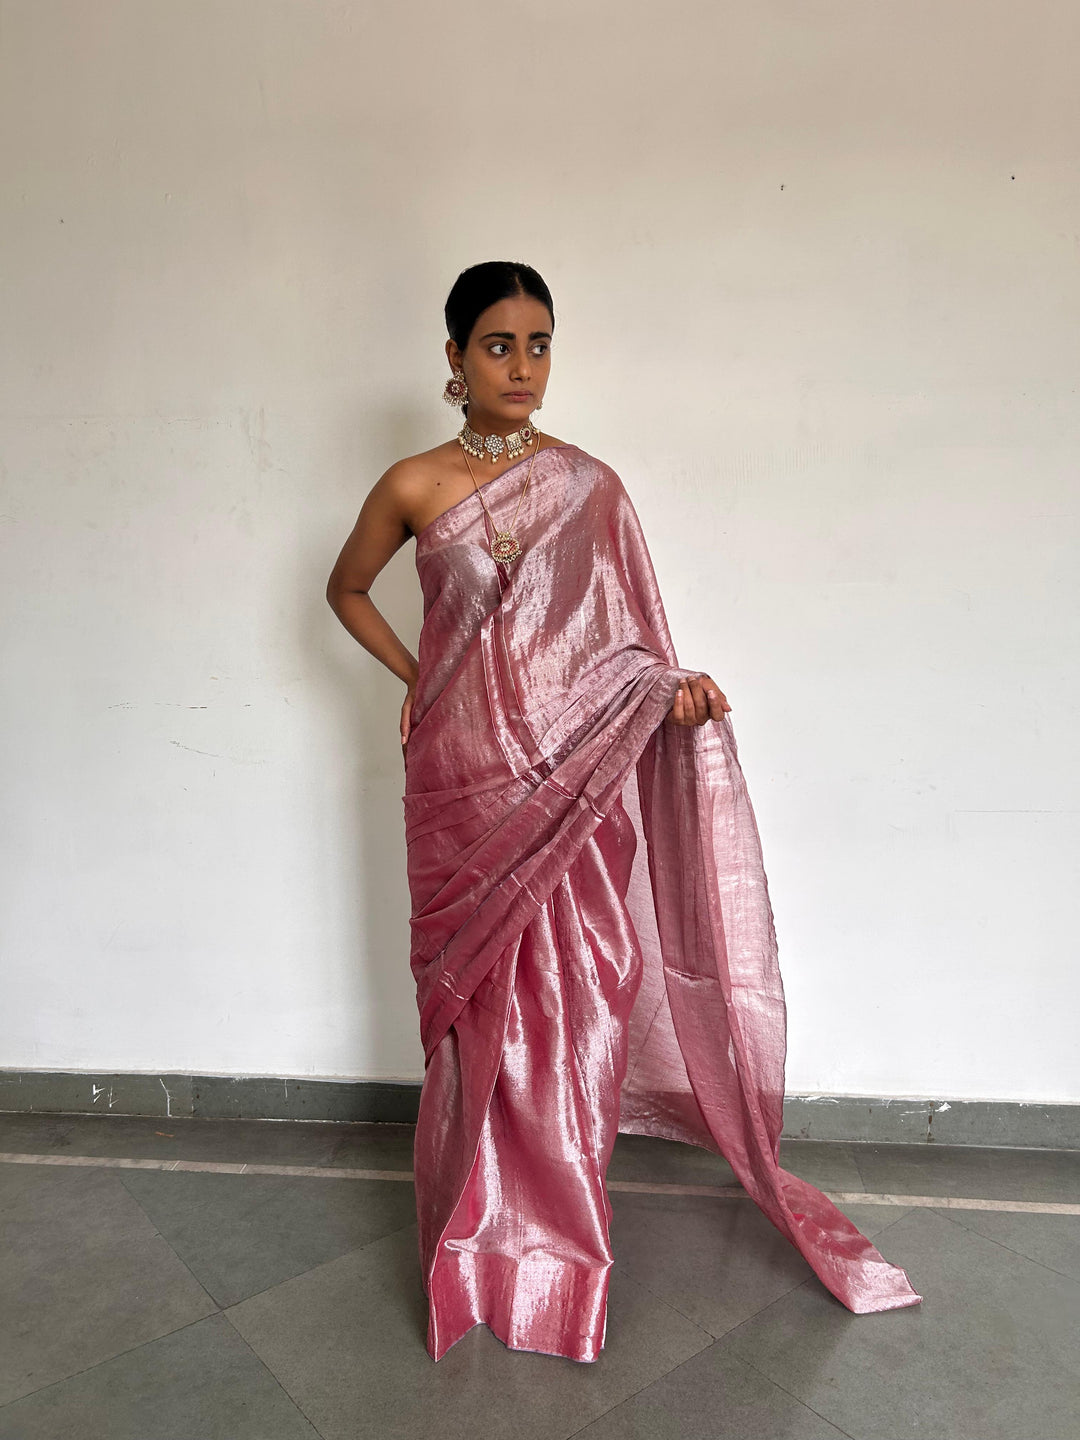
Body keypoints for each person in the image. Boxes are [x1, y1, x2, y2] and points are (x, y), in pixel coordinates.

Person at [326, 260, 922, 1363]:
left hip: (574, 784)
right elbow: (345, 588)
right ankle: (471, 1244)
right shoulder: (412, 484)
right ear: (453, 358)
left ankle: (560, 1257)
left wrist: (673, 693)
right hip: (462, 782)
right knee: (474, 1018)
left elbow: (628, 648)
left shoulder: (590, 488)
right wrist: (419, 678)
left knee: (580, 1002)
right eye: (497, 344)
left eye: (539, 343)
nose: (522, 365)